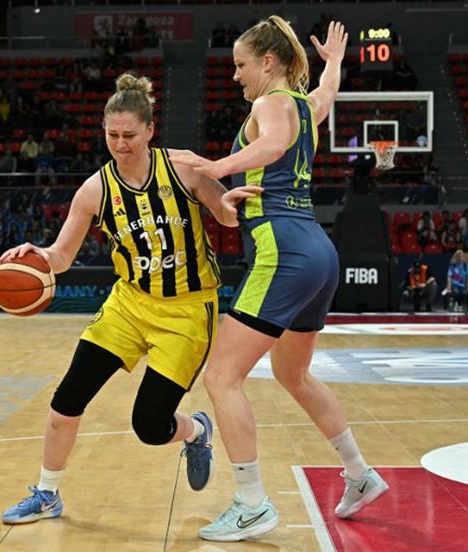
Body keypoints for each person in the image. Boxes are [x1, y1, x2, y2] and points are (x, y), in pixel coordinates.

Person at [0, 73, 260, 525]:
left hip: (187, 311)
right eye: (112, 135)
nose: (120, 144)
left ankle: (197, 430)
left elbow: (224, 211)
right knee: (67, 397)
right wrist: (39, 255)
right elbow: (62, 255)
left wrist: (231, 205)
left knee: (149, 426)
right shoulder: (95, 190)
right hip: (129, 304)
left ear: (150, 130)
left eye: (129, 135)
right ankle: (47, 494)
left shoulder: (182, 170)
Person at [170, 19, 388, 542]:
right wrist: (335, 63)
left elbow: (270, 145)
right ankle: (359, 474)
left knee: (221, 378)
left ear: (268, 63)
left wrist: (215, 165)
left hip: (283, 251)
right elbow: (326, 94)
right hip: (317, 249)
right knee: (295, 375)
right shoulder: (305, 106)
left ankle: (251, 504)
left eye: (241, 66)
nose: (236, 76)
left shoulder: (269, 104)